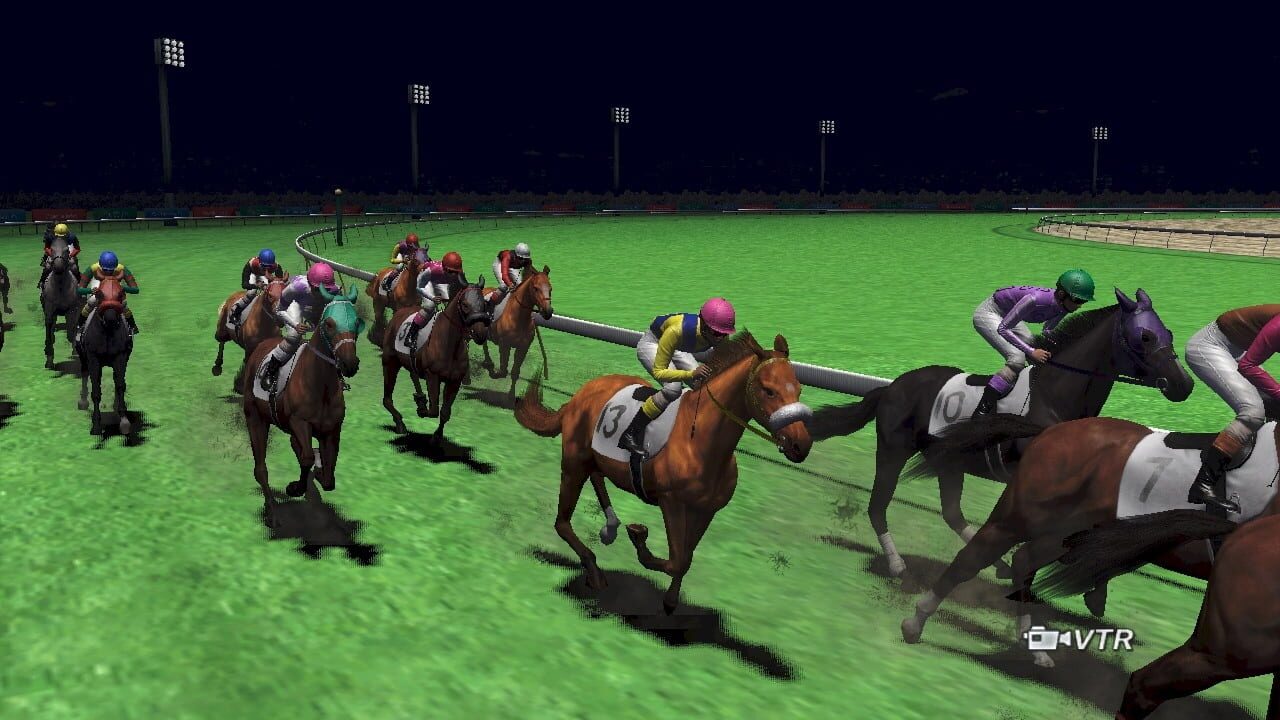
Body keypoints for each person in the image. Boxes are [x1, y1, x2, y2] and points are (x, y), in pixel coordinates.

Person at [1181, 305, 1280, 514]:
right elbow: (1248, 366)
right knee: (1253, 412)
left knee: (1274, 405)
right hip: (1210, 346)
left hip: (1239, 350)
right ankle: (1203, 484)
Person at [617, 297, 737, 459]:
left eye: (724, 334)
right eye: (716, 333)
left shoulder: (718, 334)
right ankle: (630, 433)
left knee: (704, 384)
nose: (719, 339)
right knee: (673, 389)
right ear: (703, 325)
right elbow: (659, 372)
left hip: (678, 347)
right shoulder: (676, 331)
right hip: (654, 344)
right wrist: (691, 374)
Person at [971, 269, 1095, 417]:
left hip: (1009, 315)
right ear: (1062, 294)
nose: (1080, 305)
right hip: (990, 313)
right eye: (1078, 300)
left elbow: (1047, 330)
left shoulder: (1063, 307)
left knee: (1036, 347)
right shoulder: (1034, 300)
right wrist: (1031, 351)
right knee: (1017, 358)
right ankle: (982, 410)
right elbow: (1003, 328)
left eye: (1083, 301)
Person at [259, 263, 342, 391]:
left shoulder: (335, 290)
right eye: (318, 289)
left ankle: (337, 371)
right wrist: (296, 325)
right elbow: (279, 310)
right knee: (294, 336)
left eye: (326, 290)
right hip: (296, 304)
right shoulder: (295, 288)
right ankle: (270, 370)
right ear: (310, 285)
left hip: (315, 308)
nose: (322, 293)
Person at [404, 251, 468, 357]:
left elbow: (464, 288)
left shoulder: (458, 273)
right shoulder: (431, 270)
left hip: (440, 281)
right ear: (445, 269)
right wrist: (432, 297)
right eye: (451, 272)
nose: (454, 275)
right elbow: (418, 287)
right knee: (430, 306)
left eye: (456, 272)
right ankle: (410, 335)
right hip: (427, 282)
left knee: (450, 302)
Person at [76, 251, 140, 336]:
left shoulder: (122, 269)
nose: (108, 273)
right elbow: (80, 289)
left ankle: (132, 326)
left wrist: (123, 288)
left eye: (111, 270)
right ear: (100, 266)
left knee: (124, 305)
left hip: (115, 286)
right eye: (105, 270)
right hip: (98, 283)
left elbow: (136, 289)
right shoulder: (92, 268)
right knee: (91, 302)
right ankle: (80, 325)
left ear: (116, 266)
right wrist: (91, 290)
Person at [227, 249, 287, 324]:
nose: (266, 269)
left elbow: (279, 283)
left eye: (269, 267)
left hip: (265, 277)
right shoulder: (251, 264)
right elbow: (244, 285)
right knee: (251, 293)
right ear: (259, 262)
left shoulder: (276, 266)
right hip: (253, 274)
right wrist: (256, 286)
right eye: (264, 267)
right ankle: (235, 312)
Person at [489, 242, 532, 309]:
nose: (523, 261)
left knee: (520, 285)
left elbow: (527, 273)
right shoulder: (507, 256)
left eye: (525, 259)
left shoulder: (528, 261)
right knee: (504, 285)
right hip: (500, 263)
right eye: (521, 258)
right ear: (516, 255)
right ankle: (490, 303)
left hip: (512, 266)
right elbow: (504, 275)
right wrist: (510, 284)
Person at [39, 222, 81, 288]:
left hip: (68, 252)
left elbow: (77, 248)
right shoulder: (50, 237)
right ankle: (42, 281)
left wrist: (70, 255)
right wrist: (52, 255)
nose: (61, 237)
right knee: (47, 267)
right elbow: (46, 248)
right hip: (54, 253)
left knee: (74, 267)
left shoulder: (72, 237)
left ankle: (79, 283)